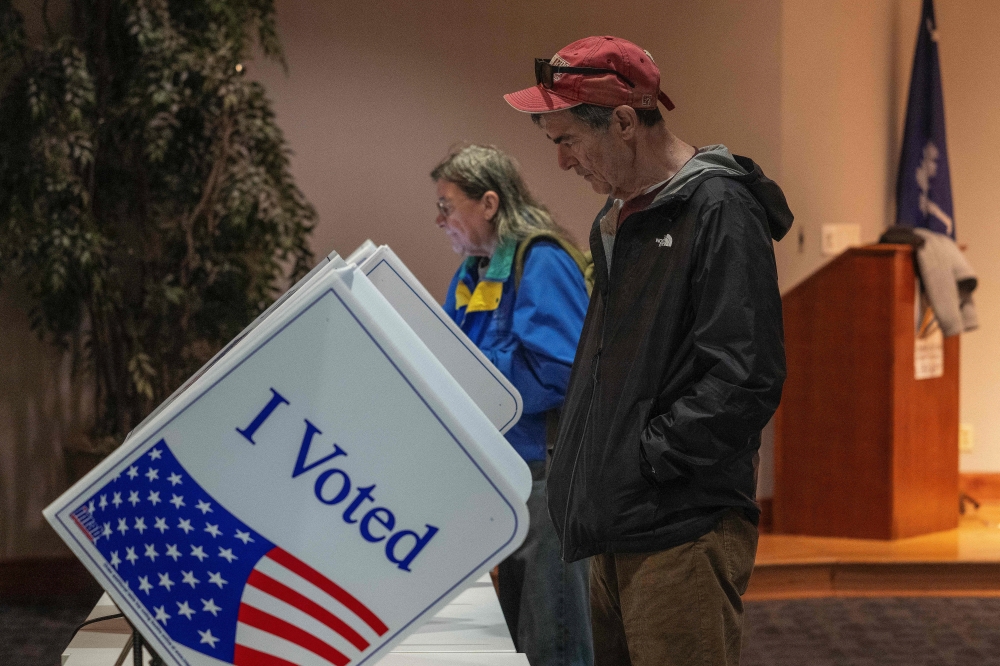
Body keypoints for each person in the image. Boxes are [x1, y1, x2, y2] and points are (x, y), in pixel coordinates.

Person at [504, 36, 794, 666]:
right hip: (617, 524)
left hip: (679, 530)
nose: (561, 163)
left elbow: (746, 376)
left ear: (625, 121)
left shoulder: (719, 210)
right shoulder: (618, 217)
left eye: (566, 140)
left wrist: (648, 458)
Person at [431, 144, 594, 666]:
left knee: (555, 634)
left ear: (489, 203)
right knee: (518, 631)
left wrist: (479, 378)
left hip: (548, 473)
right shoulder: (474, 273)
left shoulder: (541, 261)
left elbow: (568, 370)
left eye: (447, 206)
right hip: (504, 473)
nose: (440, 221)